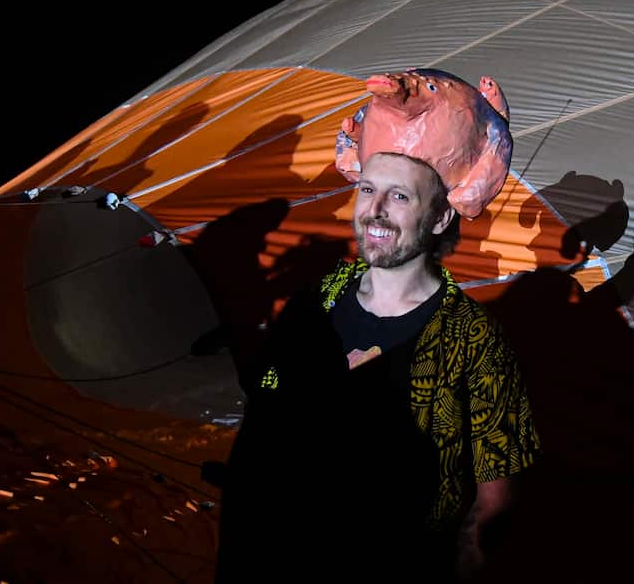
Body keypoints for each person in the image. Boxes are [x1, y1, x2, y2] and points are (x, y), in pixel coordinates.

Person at [214, 68, 540, 582]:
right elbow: (265, 407)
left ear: (439, 218)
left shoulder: (473, 340)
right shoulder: (313, 303)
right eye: (369, 189)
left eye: (401, 196)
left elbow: (494, 497)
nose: (375, 212)